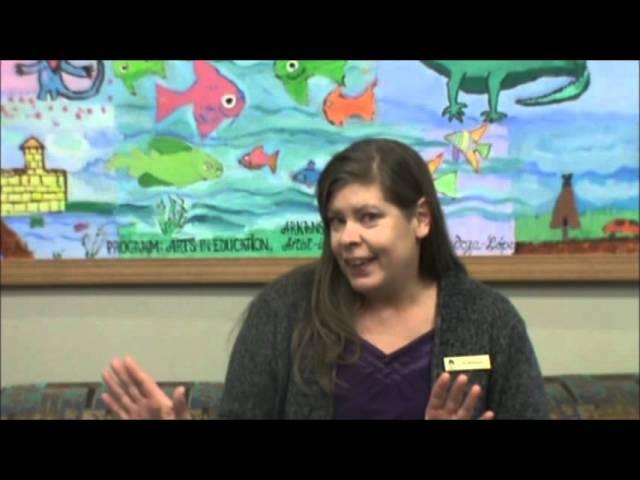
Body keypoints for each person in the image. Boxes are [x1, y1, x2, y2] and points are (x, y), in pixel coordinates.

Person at [102, 138, 550, 420]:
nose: (347, 238)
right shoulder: (282, 312)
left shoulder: (489, 320)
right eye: (337, 221)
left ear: (420, 219)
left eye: (369, 217)